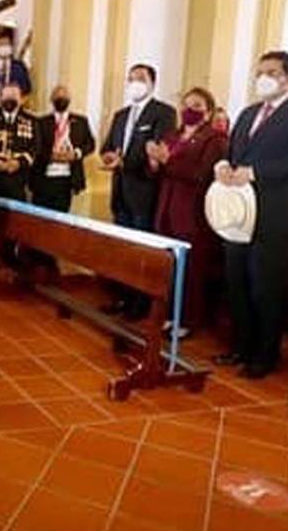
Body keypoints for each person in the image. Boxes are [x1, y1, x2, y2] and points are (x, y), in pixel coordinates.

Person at [215, 50, 288, 379]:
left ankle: (265, 354)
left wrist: (256, 172)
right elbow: (234, 151)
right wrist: (224, 165)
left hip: (275, 211)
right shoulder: (249, 113)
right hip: (239, 210)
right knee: (236, 281)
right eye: (260, 71)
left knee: (266, 285)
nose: (263, 77)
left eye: (272, 72)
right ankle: (241, 345)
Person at [146, 87, 227, 334]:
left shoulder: (214, 139)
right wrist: (154, 162)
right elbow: (158, 174)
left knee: (192, 269)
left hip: (192, 212)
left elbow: (200, 174)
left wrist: (168, 161)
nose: (190, 109)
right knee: (171, 267)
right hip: (167, 208)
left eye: (198, 105)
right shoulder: (172, 135)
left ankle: (189, 320)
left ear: (208, 110)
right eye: (187, 104)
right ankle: (170, 314)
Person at [99, 64, 175, 319]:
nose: (134, 83)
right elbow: (108, 145)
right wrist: (108, 155)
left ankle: (140, 304)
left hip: (144, 193)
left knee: (142, 250)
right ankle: (123, 297)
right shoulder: (121, 115)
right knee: (123, 250)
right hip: (120, 192)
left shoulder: (163, 113)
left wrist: (126, 163)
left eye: (140, 79)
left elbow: (158, 152)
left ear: (152, 83)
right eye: (131, 79)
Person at [31, 84, 94, 213]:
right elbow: (35, 145)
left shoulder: (81, 121)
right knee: (40, 217)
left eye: (64, 95)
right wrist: (50, 156)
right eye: (57, 95)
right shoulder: (41, 121)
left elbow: (90, 144)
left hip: (67, 179)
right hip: (44, 178)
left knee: (61, 217)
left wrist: (76, 154)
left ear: (69, 99)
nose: (61, 98)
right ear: (51, 99)